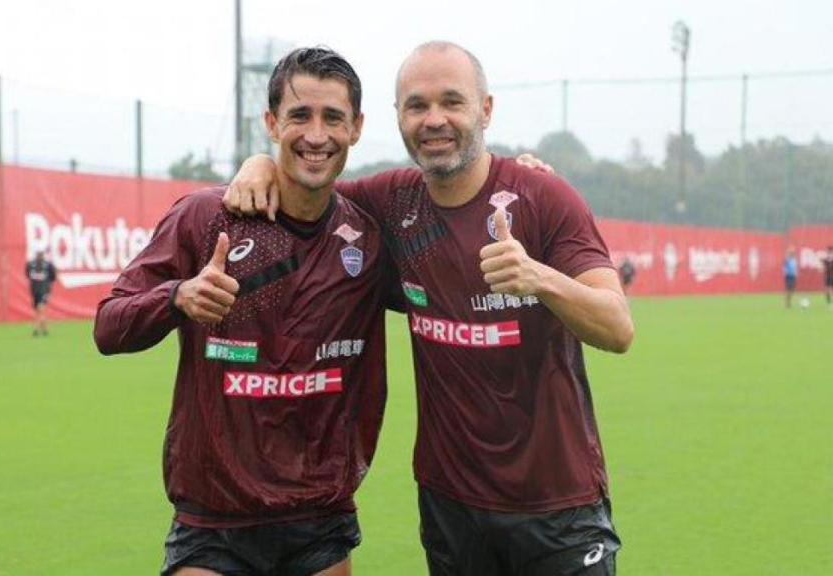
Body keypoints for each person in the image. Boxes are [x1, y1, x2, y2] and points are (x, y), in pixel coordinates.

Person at [225, 41, 634, 576]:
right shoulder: (390, 202)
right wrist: (259, 163)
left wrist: (539, 278)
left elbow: (617, 327)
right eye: (417, 105)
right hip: (450, 506)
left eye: (452, 102)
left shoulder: (543, 198)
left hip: (557, 504)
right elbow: (309, 188)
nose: (434, 120)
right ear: (398, 117)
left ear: (485, 110)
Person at [94, 47, 400, 576]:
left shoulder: (369, 237)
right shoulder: (205, 217)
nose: (317, 135)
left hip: (319, 519)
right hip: (214, 522)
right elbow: (109, 326)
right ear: (271, 123)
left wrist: (525, 183)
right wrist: (177, 297)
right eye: (300, 115)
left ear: (356, 128)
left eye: (333, 117)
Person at [25, 251, 56, 336]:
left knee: (40, 309)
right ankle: (45, 329)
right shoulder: (30, 265)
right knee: (38, 310)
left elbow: (53, 277)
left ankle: (36, 329)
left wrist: (46, 285)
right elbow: (27, 275)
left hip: (44, 290)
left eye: (40, 255)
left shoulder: (48, 265)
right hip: (35, 291)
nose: (39, 257)